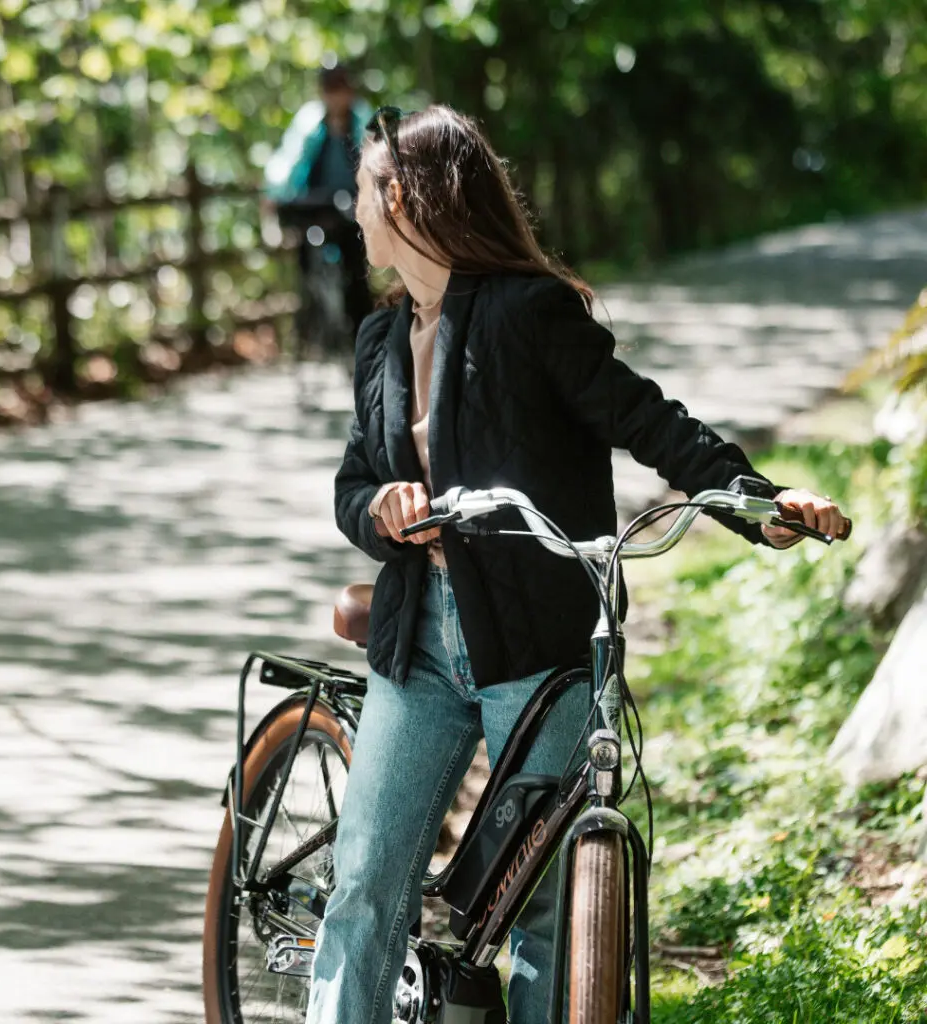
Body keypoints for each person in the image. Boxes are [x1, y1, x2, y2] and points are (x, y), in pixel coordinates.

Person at [310, 104, 846, 1024]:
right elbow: (355, 485)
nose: (354, 212)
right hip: (421, 648)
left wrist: (760, 505)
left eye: (363, 193)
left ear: (401, 200)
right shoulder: (377, 342)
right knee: (363, 884)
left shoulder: (530, 314)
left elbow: (648, 422)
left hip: (540, 646)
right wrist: (384, 510)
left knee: (547, 913)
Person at [263, 62, 374, 344]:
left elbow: (376, 160)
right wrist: (273, 198)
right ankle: (309, 324)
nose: (336, 96)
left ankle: (361, 334)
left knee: (356, 267)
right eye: (331, 89)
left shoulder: (361, 118)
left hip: (352, 204)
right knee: (305, 261)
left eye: (341, 88)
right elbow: (287, 161)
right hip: (313, 202)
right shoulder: (310, 121)